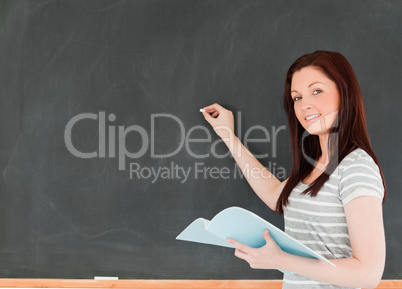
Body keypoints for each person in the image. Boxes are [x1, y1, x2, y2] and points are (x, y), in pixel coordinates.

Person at [201, 51, 386, 289]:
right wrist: (227, 135)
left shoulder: (355, 167)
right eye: (296, 98)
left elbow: (367, 274)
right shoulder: (315, 165)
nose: (304, 104)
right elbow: (275, 195)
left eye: (316, 91)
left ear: (344, 93)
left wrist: (282, 260)